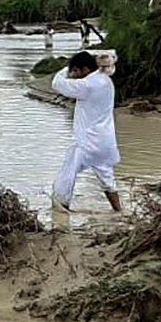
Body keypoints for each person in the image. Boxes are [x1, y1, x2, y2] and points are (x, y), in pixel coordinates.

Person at [50, 51, 122, 213]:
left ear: (84, 69)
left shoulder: (87, 85)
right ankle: (119, 212)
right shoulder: (106, 81)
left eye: (75, 71)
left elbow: (57, 84)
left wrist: (64, 69)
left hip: (85, 141)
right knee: (107, 179)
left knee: (66, 176)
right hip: (104, 141)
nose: (74, 75)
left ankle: (61, 214)